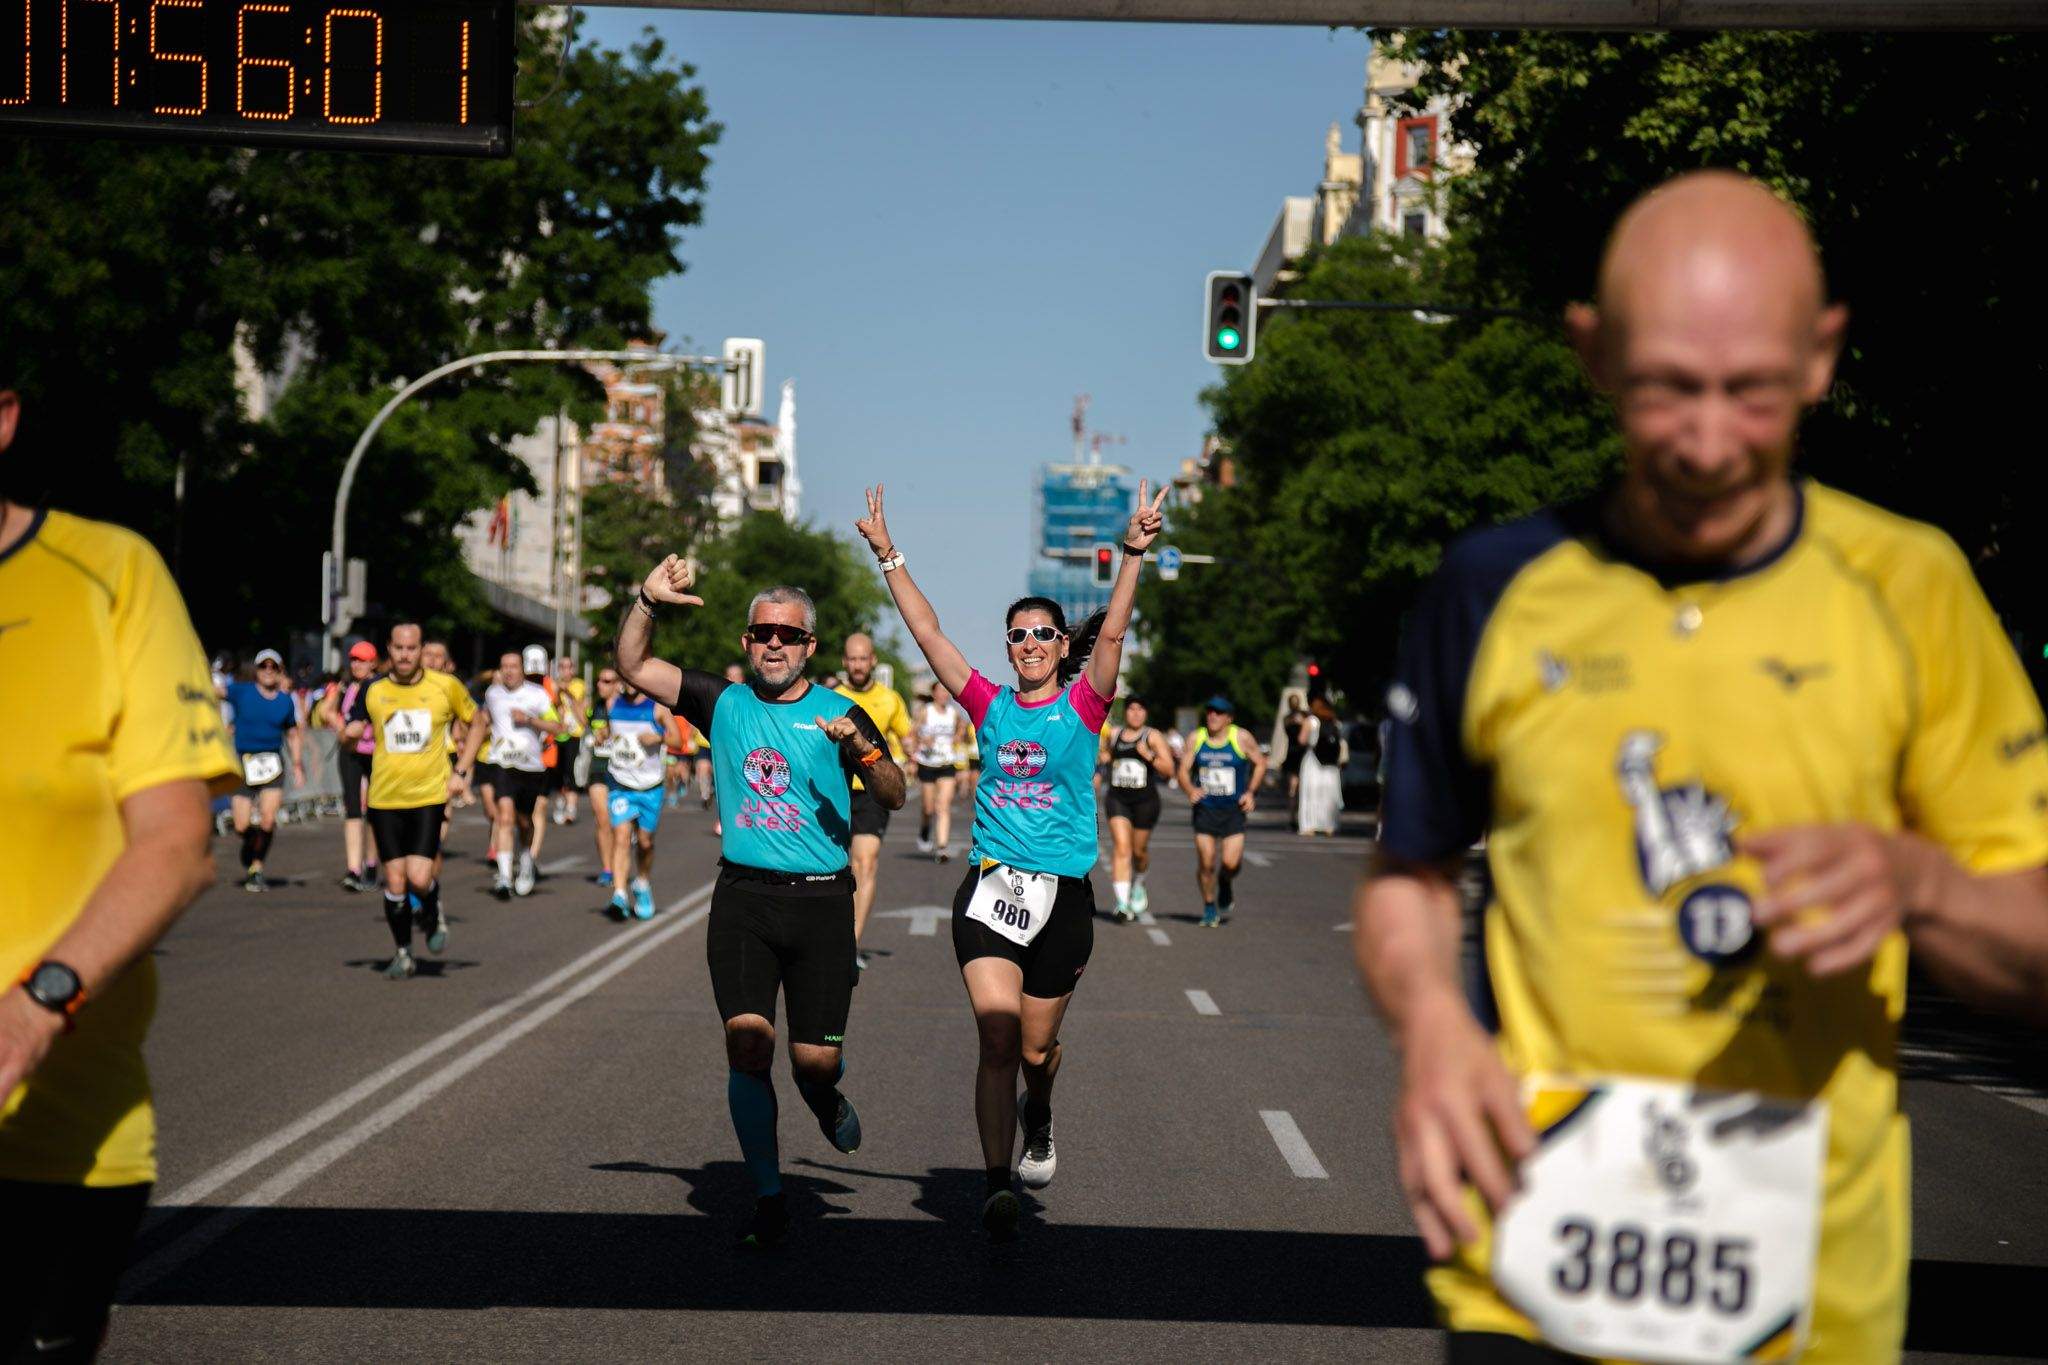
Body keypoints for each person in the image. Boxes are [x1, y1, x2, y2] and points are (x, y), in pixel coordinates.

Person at [1356, 171, 2048, 1365]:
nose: (1709, 442)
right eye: (1667, 388)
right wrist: (1428, 1026)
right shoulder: (1492, 586)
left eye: (1752, 391)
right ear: (1592, 352)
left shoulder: (1910, 587)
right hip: (1533, 1264)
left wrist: (1920, 884)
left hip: (1809, 1299)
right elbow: (1407, 875)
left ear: (1820, 357)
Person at [855, 479, 1164, 1241]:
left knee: (1035, 1047)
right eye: (1017, 634)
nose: (1028, 644)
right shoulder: (988, 705)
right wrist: (889, 554)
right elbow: (928, 634)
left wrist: (1131, 555)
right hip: (992, 888)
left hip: (1063, 897)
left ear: (1061, 646)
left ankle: (1041, 1110)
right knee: (995, 1037)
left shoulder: (1084, 704)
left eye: (1042, 634)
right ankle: (997, 1184)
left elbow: (1113, 637)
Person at [1, 386, 238, 1361]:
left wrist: (33, 1009)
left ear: (4, 418)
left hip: (50, 1137)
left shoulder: (108, 574)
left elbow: (177, 841)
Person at [619, 559, 905, 1250]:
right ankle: (770, 1196)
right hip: (744, 898)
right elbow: (633, 664)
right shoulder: (722, 702)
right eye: (763, 633)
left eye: (789, 634)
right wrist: (647, 601)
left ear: (810, 645)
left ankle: (825, 1096)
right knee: (748, 1044)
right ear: (748, 642)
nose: (775, 643)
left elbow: (895, 793)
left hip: (823, 904)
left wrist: (863, 751)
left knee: (813, 1064)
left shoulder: (841, 711)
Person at [346, 623, 484, 979]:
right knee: (395, 881)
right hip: (384, 798)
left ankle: (432, 908)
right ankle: (403, 952)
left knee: (419, 878)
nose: (405, 655)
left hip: (428, 796)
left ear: (421, 649)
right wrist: (348, 735)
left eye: (411, 648)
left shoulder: (445, 686)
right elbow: (353, 727)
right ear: (388, 649)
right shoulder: (373, 690)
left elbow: (478, 722)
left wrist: (461, 771)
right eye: (398, 648)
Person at [834, 633, 913, 975]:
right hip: (834, 791)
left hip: (871, 793)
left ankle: (848, 946)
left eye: (863, 658)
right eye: (852, 659)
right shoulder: (831, 698)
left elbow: (907, 735)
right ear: (844, 661)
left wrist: (910, 756)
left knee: (864, 863)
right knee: (834, 867)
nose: (857, 665)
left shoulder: (890, 699)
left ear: (873, 660)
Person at [1176, 697, 1267, 928]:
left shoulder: (1241, 737)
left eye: (1218, 713)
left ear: (1229, 718)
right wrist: (1190, 789)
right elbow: (1183, 770)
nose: (1213, 716)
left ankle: (1225, 882)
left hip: (1233, 811)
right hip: (1205, 809)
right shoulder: (1197, 738)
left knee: (1230, 863)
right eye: (1209, 712)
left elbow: (1260, 763)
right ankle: (1209, 906)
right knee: (1206, 862)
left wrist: (1251, 792)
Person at [220, 648, 306, 892]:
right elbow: (214, 691)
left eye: (273, 667)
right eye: (263, 666)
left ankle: (256, 868)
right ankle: (251, 842)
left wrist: (297, 765)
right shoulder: (242, 692)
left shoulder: (285, 701)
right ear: (256, 670)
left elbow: (292, 733)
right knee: (240, 825)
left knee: (267, 820)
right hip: (245, 763)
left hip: (272, 765)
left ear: (280, 671)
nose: (268, 671)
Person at [482, 648, 561, 899]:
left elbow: (557, 726)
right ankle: (505, 877)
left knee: (525, 821)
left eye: (513, 666)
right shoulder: (492, 694)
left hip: (531, 766)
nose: (508, 671)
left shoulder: (538, 695)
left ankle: (526, 860)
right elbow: (484, 719)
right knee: (505, 817)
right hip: (502, 764)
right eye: (504, 666)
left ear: (523, 669)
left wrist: (530, 720)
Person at [602, 679, 680, 922]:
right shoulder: (612, 703)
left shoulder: (657, 707)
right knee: (621, 837)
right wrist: (602, 736)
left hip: (650, 787)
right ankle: (619, 895)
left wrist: (658, 739)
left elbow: (678, 740)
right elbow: (608, 733)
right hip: (621, 784)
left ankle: (642, 882)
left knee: (645, 842)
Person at [1099, 696, 1176, 922]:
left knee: (1139, 851)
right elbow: (1106, 756)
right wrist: (1103, 756)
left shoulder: (1152, 736)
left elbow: (1169, 770)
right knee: (1122, 848)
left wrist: (1148, 755)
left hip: (1145, 801)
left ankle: (1139, 882)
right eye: (1131, 709)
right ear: (1126, 712)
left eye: (1140, 709)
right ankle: (1123, 904)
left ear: (1146, 713)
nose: (1135, 713)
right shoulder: (1115, 735)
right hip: (1118, 799)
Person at [912, 682, 971, 860]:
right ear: (934, 693)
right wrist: (923, 739)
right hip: (927, 763)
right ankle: (925, 828)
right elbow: (912, 733)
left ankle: (942, 847)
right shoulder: (926, 711)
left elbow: (963, 729)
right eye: (941, 691)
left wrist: (958, 736)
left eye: (946, 692)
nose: (944, 695)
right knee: (928, 808)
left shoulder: (953, 712)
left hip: (947, 763)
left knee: (943, 806)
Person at [586, 665, 620, 889]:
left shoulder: (626, 707)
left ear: (618, 684)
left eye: (607, 681)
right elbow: (583, 726)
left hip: (622, 770)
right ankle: (607, 869)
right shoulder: (595, 707)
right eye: (599, 680)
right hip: (598, 767)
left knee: (619, 824)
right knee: (602, 819)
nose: (601, 685)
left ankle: (619, 862)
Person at [1295, 696, 1345, 837]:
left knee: (1311, 793)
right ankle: (1329, 825)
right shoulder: (1335, 722)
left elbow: (1302, 740)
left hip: (1313, 761)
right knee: (1329, 794)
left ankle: (1310, 825)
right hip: (1331, 764)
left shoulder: (1311, 721)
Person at [550, 655, 588, 827]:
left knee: (571, 770)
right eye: (562, 667)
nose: (566, 670)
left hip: (574, 733)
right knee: (558, 772)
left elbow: (579, 704)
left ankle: (571, 808)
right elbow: (554, 705)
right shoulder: (553, 685)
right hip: (558, 733)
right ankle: (560, 803)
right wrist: (558, 691)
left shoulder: (579, 685)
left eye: (569, 667)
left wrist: (565, 690)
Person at [1279, 693, 1309, 820]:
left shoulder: (1302, 716)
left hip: (1300, 753)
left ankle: (1299, 815)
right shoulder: (1289, 718)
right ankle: (1293, 815)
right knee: (1293, 787)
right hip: (1295, 753)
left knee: (1298, 786)